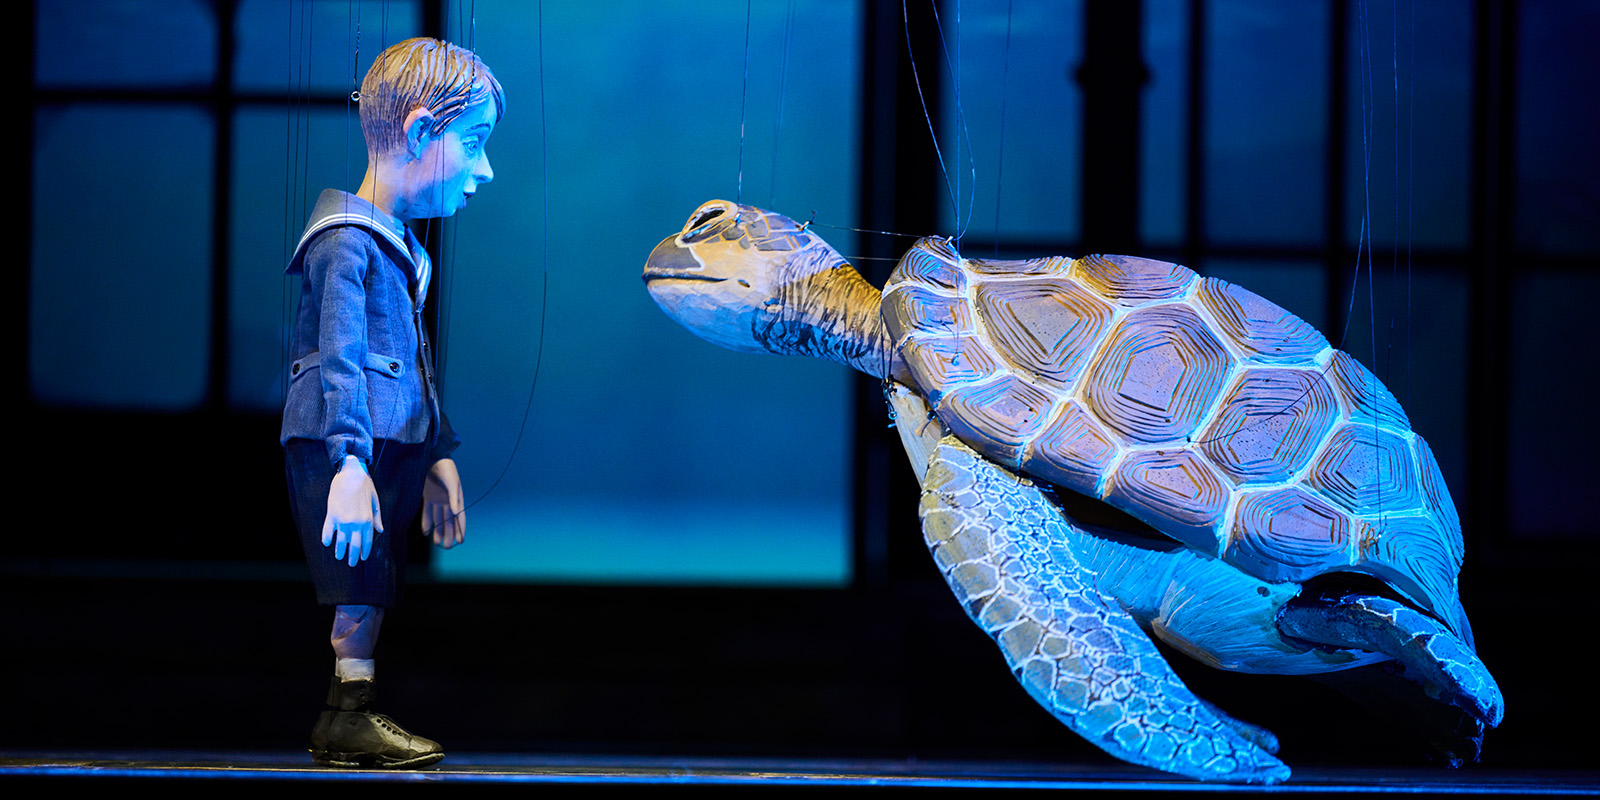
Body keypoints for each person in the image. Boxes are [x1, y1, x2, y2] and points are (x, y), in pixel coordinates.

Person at [280, 37, 502, 769]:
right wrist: (348, 464)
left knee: (373, 582)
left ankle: (352, 710)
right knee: (358, 580)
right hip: (352, 442)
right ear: (417, 132)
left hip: (391, 441)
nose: (484, 169)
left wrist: (437, 451)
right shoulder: (345, 244)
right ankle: (348, 712)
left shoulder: (397, 246)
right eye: (473, 143)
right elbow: (340, 356)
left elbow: (415, 360)